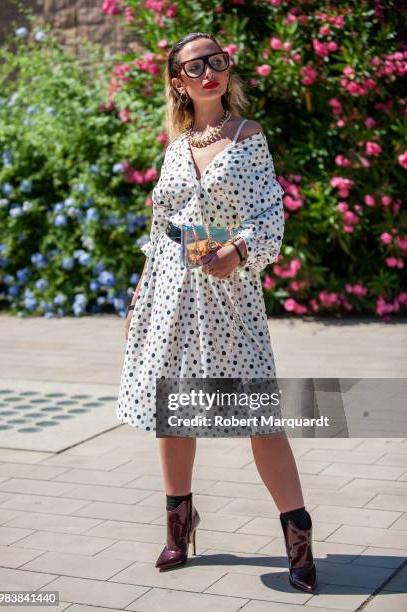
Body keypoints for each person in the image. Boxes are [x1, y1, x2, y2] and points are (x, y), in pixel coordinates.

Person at [116, 31, 317, 593]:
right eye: (195, 66)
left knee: (258, 416)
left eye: (218, 61)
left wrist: (240, 249)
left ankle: (299, 542)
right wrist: (139, 296)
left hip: (230, 295)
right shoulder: (176, 147)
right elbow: (162, 231)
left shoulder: (247, 136)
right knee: (173, 412)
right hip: (172, 292)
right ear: (178, 82)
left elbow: (270, 214)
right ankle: (179, 527)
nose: (210, 72)